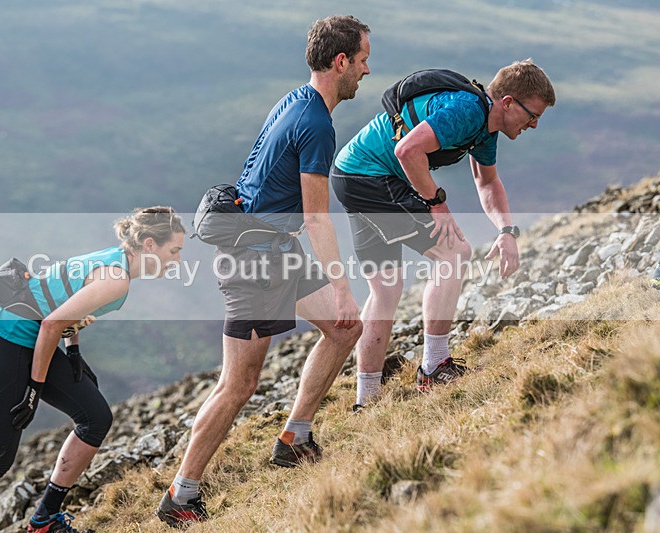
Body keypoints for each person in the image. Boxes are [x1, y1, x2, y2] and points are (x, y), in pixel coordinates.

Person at [156, 15, 370, 527]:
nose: (367, 70)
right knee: (239, 384)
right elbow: (317, 218)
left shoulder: (296, 100)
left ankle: (295, 439)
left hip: (275, 250)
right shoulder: (316, 124)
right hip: (254, 262)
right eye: (363, 60)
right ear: (340, 61)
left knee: (347, 329)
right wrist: (342, 287)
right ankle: (181, 495)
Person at [0, 207, 186, 533]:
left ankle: (44, 520)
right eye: (174, 251)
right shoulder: (116, 279)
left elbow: (63, 302)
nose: (177, 260)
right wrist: (34, 388)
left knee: (96, 417)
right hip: (3, 342)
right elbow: (51, 323)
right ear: (150, 244)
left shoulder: (114, 261)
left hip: (30, 341)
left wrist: (73, 352)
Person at [329, 60, 556, 408]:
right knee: (454, 253)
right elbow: (407, 150)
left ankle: (367, 400)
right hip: (370, 177)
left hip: (350, 173)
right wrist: (436, 202)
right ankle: (434, 367)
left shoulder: (485, 129)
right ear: (508, 102)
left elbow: (487, 182)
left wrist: (506, 231)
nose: (535, 125)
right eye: (533, 115)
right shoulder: (469, 111)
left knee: (386, 289)